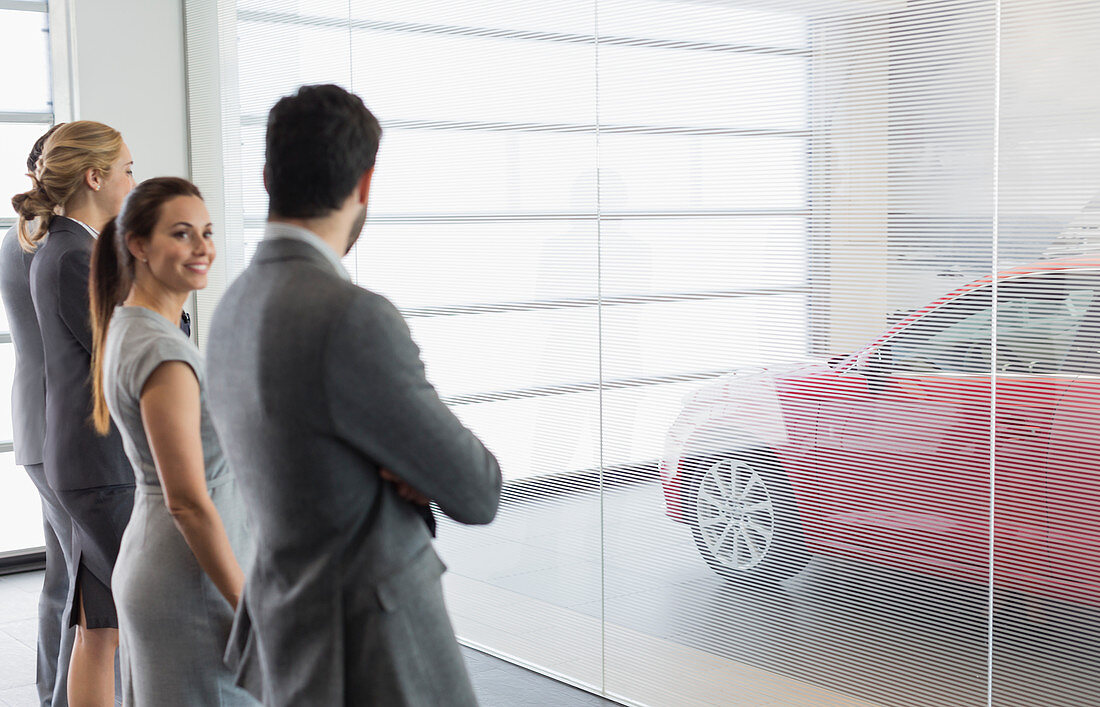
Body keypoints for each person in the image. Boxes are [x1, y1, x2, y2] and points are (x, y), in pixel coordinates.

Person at [205, 84, 503, 706]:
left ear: (267, 177)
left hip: (290, 634)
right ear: (365, 184)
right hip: (371, 653)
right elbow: (476, 489)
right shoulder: (350, 317)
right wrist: (409, 465)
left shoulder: (230, 307)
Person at [88, 176, 257, 706]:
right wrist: (249, 610)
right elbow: (186, 500)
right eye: (182, 234)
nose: (202, 247)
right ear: (137, 244)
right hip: (191, 581)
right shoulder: (163, 351)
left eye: (205, 232)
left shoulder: (131, 325)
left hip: (164, 565)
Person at [13, 120, 135, 707]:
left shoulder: (62, 245)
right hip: (85, 450)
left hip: (70, 446)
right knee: (102, 604)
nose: (133, 181)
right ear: (93, 176)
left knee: (88, 609)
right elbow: (120, 354)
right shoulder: (62, 252)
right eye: (127, 170)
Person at [2, 125, 74, 707]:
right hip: (64, 431)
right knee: (87, 585)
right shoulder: (58, 246)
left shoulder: (18, 237)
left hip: (34, 425)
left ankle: (55, 695)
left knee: (61, 579)